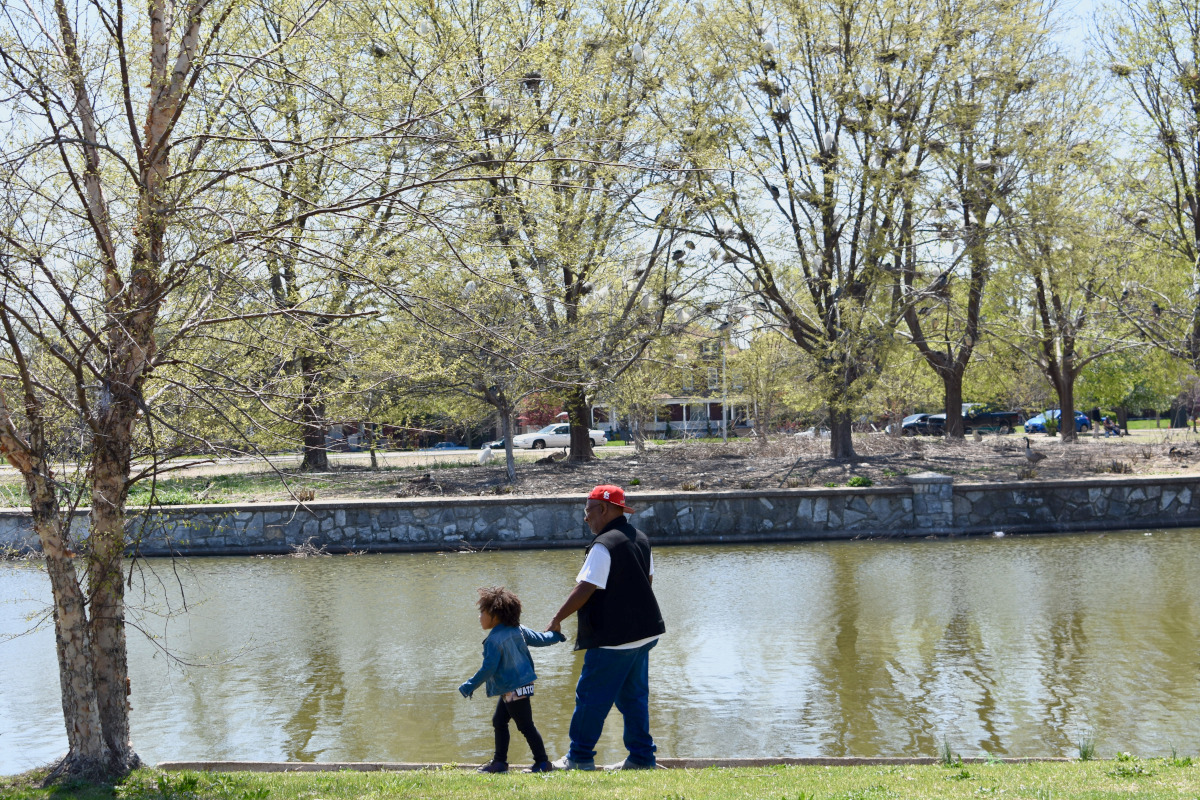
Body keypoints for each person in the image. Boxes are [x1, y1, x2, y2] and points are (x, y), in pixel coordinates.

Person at [547, 485, 666, 771]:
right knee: (633, 697)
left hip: (613, 640)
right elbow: (646, 581)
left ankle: (579, 757)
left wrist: (557, 618)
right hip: (644, 634)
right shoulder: (640, 538)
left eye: (588, 511)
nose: (585, 518)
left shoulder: (603, 546)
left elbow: (585, 587)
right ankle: (641, 757)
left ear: (604, 509)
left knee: (591, 698)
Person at [459, 586, 565, 774]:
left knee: (525, 726)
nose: (479, 617)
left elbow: (488, 669)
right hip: (519, 686)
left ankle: (542, 763)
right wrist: (556, 635)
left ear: (494, 615)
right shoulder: (518, 629)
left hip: (512, 688)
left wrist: (470, 685)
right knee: (499, 721)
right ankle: (500, 763)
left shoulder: (493, 641)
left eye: (482, 612)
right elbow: (542, 639)